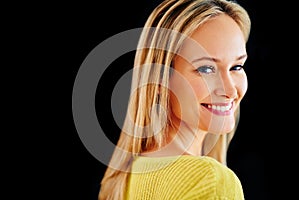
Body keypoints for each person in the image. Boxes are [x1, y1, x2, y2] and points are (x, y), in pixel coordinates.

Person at [99, 0, 251, 199]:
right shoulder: (210, 180)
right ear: (161, 80)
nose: (230, 90)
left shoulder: (129, 174)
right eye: (205, 69)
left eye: (237, 67)